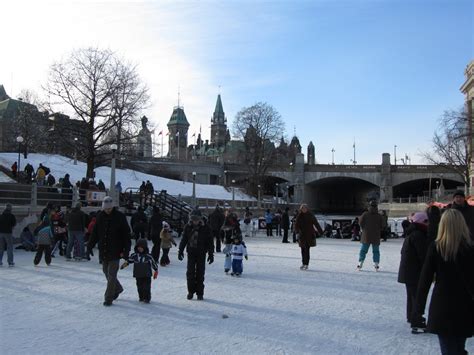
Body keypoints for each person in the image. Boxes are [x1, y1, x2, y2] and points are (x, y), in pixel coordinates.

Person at [412, 209, 474, 354]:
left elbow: (425, 280)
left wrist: (418, 310)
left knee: (449, 349)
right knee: (458, 348)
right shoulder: (470, 249)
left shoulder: (436, 248)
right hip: (465, 307)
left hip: (443, 306)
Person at [88, 196, 131, 306]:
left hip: (116, 250)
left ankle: (108, 298)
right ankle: (118, 288)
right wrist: (89, 246)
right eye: (105, 209)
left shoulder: (120, 217)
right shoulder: (100, 216)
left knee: (111, 275)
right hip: (104, 250)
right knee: (106, 272)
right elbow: (95, 233)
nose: (107, 210)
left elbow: (126, 235)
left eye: (109, 208)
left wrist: (126, 251)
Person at [397, 211, 431, 333]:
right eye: (426, 221)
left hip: (408, 271)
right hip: (414, 271)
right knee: (417, 296)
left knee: (412, 295)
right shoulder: (418, 235)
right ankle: (417, 321)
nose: (428, 224)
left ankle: (411, 317)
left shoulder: (412, 233)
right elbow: (423, 255)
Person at [178, 213, 214, 300]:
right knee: (190, 273)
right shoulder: (188, 227)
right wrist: (180, 250)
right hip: (191, 252)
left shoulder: (206, 227)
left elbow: (210, 241)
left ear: (200, 220)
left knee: (200, 273)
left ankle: (200, 293)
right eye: (193, 220)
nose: (195, 222)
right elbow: (184, 239)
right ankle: (190, 291)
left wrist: (211, 254)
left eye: (197, 220)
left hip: (201, 253)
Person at [120, 239, 158, 303]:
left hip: (147, 275)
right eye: (138, 247)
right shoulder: (134, 255)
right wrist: (124, 265)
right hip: (138, 274)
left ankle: (147, 298)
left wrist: (156, 270)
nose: (139, 249)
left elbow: (153, 263)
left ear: (145, 248)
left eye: (141, 247)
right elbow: (129, 261)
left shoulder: (148, 256)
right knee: (139, 287)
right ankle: (141, 297)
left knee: (146, 287)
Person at [357, 200, 386, 271]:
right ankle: (376, 264)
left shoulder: (365, 214)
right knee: (376, 251)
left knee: (363, 250)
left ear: (369, 206)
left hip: (366, 235)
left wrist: (364, 228)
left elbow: (360, 222)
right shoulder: (379, 216)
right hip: (376, 235)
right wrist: (378, 229)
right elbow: (383, 225)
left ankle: (360, 263)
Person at [294, 203, 323, 270]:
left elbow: (316, 223)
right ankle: (303, 263)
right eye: (302, 208)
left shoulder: (310, 215)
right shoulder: (299, 216)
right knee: (302, 250)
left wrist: (321, 231)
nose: (304, 209)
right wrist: (297, 231)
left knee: (307, 249)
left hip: (309, 235)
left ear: (307, 209)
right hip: (302, 235)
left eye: (305, 208)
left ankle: (306, 264)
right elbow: (296, 225)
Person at [221, 208, 241, 274]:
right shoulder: (226, 219)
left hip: (235, 240)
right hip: (229, 239)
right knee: (228, 254)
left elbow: (238, 230)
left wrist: (239, 238)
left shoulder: (234, 220)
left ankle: (237, 268)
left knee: (236, 255)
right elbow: (222, 229)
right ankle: (227, 267)